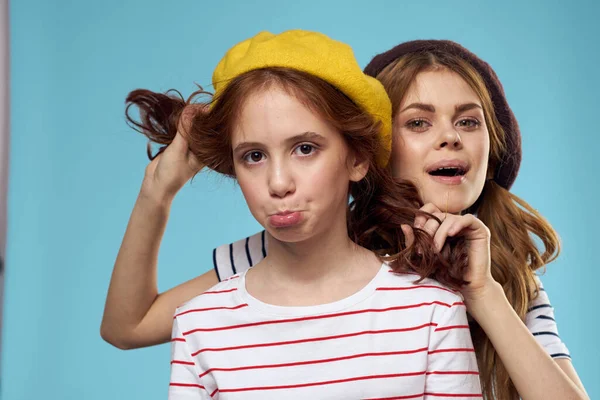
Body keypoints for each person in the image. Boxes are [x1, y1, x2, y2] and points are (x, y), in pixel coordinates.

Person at [101, 37, 587, 399]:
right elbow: (130, 325)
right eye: (418, 122)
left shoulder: (502, 276)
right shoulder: (293, 247)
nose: (449, 138)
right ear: (375, 150)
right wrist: (156, 192)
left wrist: (484, 296)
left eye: (468, 121)